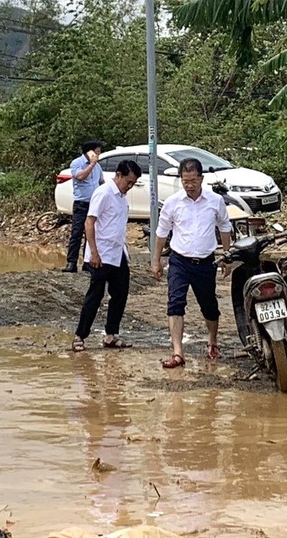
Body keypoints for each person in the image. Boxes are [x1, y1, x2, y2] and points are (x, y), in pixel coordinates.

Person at [152, 157, 233, 368]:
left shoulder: (215, 201)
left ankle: (212, 342)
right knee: (175, 303)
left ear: (201, 179)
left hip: (206, 262)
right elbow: (162, 233)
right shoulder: (172, 203)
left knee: (209, 306)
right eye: (185, 181)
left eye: (193, 181)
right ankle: (178, 353)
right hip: (179, 261)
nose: (189, 185)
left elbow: (225, 227)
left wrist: (227, 256)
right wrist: (156, 260)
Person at [72, 160, 141, 352]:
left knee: (120, 294)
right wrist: (93, 252)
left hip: (118, 253)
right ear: (118, 175)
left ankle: (111, 334)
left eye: (133, 183)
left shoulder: (121, 196)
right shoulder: (103, 193)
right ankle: (80, 336)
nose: (129, 186)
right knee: (95, 295)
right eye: (128, 181)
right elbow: (89, 222)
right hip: (101, 253)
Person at [63, 140, 106, 273]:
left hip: (94, 205)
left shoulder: (98, 167)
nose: (98, 155)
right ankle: (71, 262)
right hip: (81, 204)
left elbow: (101, 182)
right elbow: (80, 176)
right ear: (90, 152)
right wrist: (92, 164)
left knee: (91, 234)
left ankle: (87, 262)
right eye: (97, 152)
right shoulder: (77, 163)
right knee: (77, 233)